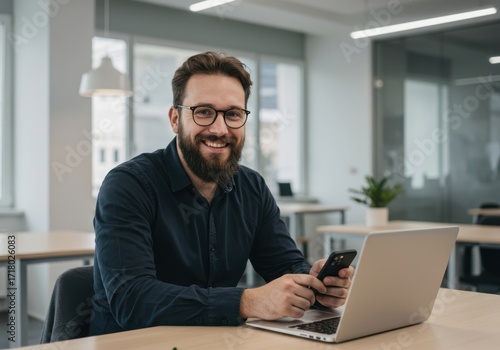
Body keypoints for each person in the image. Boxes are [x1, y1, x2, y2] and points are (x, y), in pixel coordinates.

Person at [90, 51, 354, 336]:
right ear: (175, 118)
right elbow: (132, 300)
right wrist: (248, 301)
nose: (219, 128)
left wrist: (316, 284)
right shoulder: (128, 185)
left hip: (217, 340)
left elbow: (284, 265)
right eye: (203, 112)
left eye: (232, 114)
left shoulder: (251, 187)